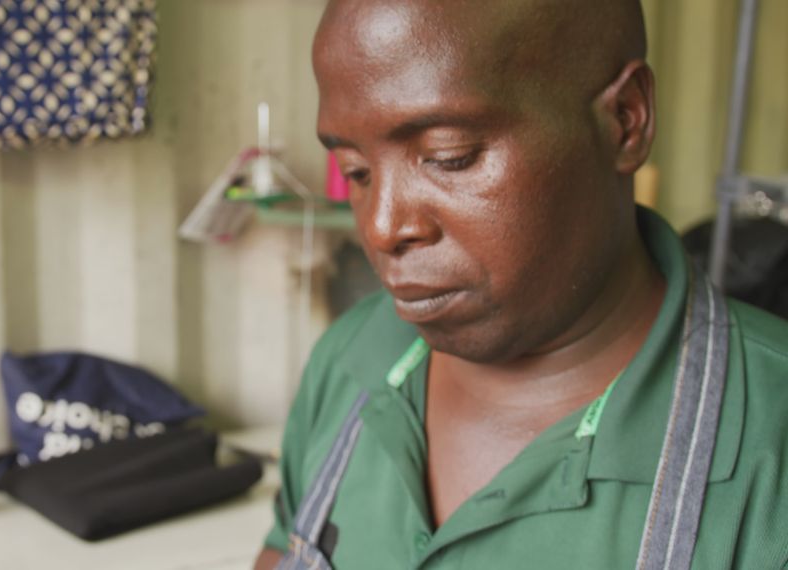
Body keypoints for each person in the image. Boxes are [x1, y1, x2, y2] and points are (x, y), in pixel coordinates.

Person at [254, 0, 788, 568]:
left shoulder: (770, 453)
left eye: (448, 157)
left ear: (626, 120)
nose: (383, 228)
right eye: (357, 172)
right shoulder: (349, 361)